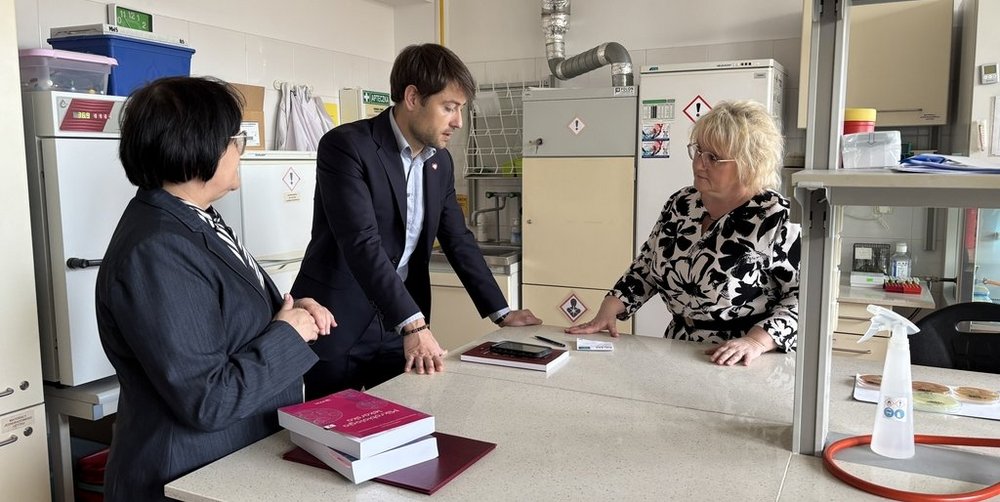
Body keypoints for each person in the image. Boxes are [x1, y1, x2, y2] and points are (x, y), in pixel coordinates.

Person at [96, 76, 335, 501]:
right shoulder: (157, 248)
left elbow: (226, 320)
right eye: (234, 137)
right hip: (185, 476)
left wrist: (293, 310)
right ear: (197, 145)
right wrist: (289, 334)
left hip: (232, 461)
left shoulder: (196, 217)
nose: (240, 148)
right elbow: (209, 399)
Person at [292, 43, 541, 398]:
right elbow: (361, 243)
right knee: (329, 433)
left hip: (399, 323)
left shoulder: (439, 162)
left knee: (404, 420)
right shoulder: (346, 146)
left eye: (460, 109)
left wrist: (501, 313)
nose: (457, 121)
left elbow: (458, 239)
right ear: (412, 97)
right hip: (338, 320)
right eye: (449, 107)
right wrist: (413, 325)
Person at [567, 100, 800, 366]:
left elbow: (803, 298)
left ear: (750, 163)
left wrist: (757, 341)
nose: (700, 164)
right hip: (677, 347)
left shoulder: (778, 217)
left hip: (743, 358)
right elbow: (646, 267)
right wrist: (609, 309)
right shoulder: (683, 203)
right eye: (699, 151)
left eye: (714, 158)